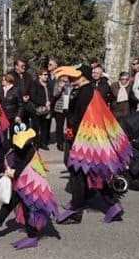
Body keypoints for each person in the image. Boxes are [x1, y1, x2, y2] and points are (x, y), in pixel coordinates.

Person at [56, 66, 131, 225]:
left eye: (73, 77)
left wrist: (71, 133)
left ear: (82, 77)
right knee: (90, 173)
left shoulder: (85, 93)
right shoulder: (87, 90)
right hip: (85, 138)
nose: (70, 79)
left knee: (79, 172)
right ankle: (111, 205)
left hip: (83, 140)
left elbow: (80, 118)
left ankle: (76, 209)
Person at [0, 123, 58, 250]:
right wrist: (8, 171)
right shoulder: (15, 149)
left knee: (28, 210)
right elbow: (13, 161)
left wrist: (14, 172)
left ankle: (31, 236)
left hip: (28, 188)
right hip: (17, 185)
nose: (27, 141)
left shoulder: (31, 150)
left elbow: (28, 168)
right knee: (7, 205)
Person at [30, 66, 54, 150]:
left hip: (47, 108)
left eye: (47, 74)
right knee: (36, 127)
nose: (46, 76)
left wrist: (50, 102)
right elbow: (33, 96)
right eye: (44, 74)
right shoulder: (35, 84)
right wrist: (44, 102)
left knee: (45, 126)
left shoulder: (49, 84)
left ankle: (43, 143)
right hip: (37, 108)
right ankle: (35, 143)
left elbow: (52, 95)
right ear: (39, 75)